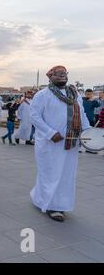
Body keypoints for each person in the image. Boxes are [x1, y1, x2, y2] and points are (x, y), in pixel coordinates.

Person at [30, 66, 90, 222]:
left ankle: (55, 203)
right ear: (50, 77)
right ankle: (52, 206)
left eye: (64, 74)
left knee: (66, 175)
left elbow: (82, 115)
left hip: (71, 141)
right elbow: (35, 116)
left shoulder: (75, 95)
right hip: (50, 143)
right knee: (50, 173)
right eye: (58, 74)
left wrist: (88, 132)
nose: (62, 76)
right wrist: (50, 133)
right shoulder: (42, 95)